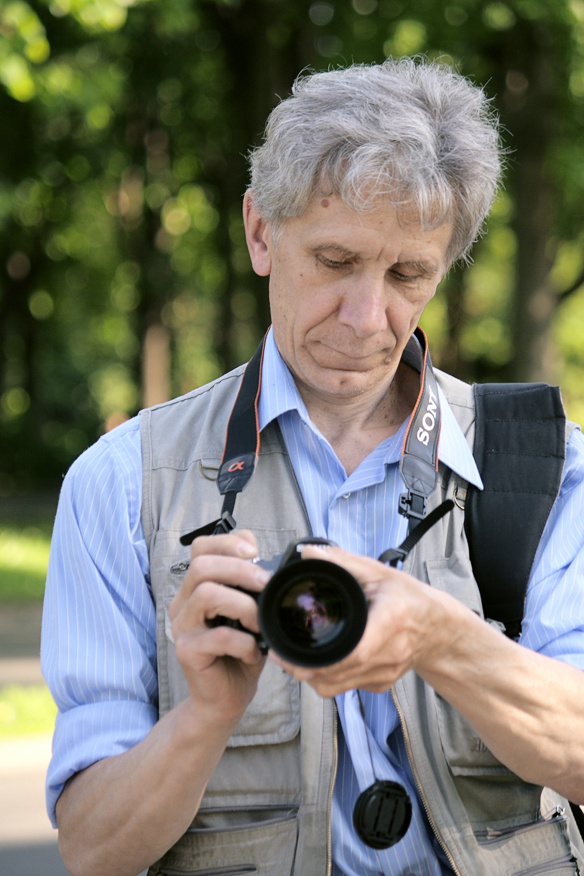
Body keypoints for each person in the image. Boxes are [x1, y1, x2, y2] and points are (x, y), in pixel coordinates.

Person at [41, 58, 584, 876]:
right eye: (335, 261)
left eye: (408, 275)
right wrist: (205, 716)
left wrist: (441, 638)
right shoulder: (121, 483)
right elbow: (92, 850)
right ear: (261, 232)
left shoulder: (545, 461)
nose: (369, 318)